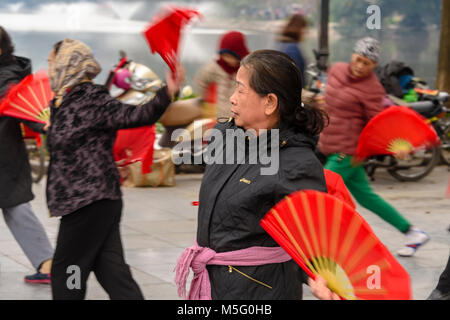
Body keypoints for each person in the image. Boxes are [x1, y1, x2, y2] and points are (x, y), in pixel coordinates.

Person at [175, 49, 339, 300]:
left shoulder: (296, 164)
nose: (232, 98)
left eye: (241, 90)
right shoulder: (227, 137)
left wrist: (316, 277)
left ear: (270, 103)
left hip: (260, 290)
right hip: (214, 284)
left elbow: (312, 239)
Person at [46, 38, 184, 300]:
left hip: (87, 202)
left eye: (53, 63)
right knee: (111, 270)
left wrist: (167, 92)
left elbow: (136, 116)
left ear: (68, 64)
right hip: (95, 201)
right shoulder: (66, 101)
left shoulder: (92, 98)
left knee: (68, 271)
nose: (51, 69)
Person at [318, 37, 429, 257]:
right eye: (358, 59)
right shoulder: (337, 70)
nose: (360, 66)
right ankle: (412, 233)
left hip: (347, 152)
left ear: (374, 65)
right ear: (352, 55)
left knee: (319, 192)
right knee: (368, 198)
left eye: (367, 63)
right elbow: (328, 101)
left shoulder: (372, 88)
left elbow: (379, 122)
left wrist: (396, 144)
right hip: (332, 146)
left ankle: (321, 246)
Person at [0, 26, 53, 284]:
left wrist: (44, 125)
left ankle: (47, 262)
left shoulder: (7, 77)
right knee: (16, 207)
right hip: (7, 155)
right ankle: (46, 262)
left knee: (16, 206)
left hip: (4, 156)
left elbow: (22, 105)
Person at [276, 13, 308, 85]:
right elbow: (295, 77)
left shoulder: (282, 44)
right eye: (304, 29)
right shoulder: (292, 48)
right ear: (299, 29)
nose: (305, 33)